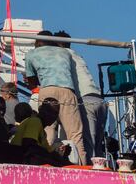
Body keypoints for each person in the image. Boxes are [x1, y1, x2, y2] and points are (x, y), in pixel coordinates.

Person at [24, 31, 87, 166]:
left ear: (37, 43)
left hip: (47, 90)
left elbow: (32, 82)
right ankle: (82, 167)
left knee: (47, 130)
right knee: (75, 134)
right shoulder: (64, 52)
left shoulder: (31, 54)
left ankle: (45, 163)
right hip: (67, 90)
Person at [57, 29, 108, 162]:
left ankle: (90, 173)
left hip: (86, 101)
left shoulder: (63, 56)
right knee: (98, 145)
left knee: (88, 142)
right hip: (99, 100)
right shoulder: (78, 56)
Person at [8, 101, 66, 166]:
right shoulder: (35, 121)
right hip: (19, 160)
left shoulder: (42, 132)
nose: (53, 116)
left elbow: (48, 151)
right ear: (41, 110)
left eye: (56, 113)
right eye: (49, 111)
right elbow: (29, 145)